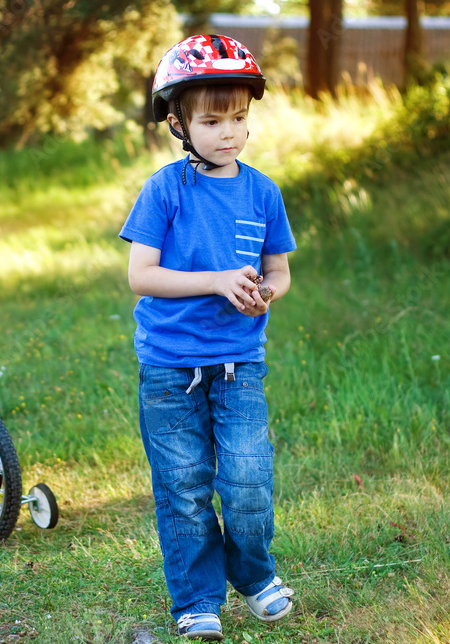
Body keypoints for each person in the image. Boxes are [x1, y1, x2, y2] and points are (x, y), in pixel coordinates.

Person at [119, 34, 297, 641]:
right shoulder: (165, 190)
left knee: (248, 478)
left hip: (239, 361)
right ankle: (197, 598)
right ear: (178, 122)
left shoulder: (262, 192)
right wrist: (217, 280)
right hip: (170, 367)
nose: (229, 132)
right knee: (185, 486)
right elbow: (141, 275)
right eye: (212, 119)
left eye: (240, 118)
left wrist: (264, 291)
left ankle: (254, 576)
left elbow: (280, 271)